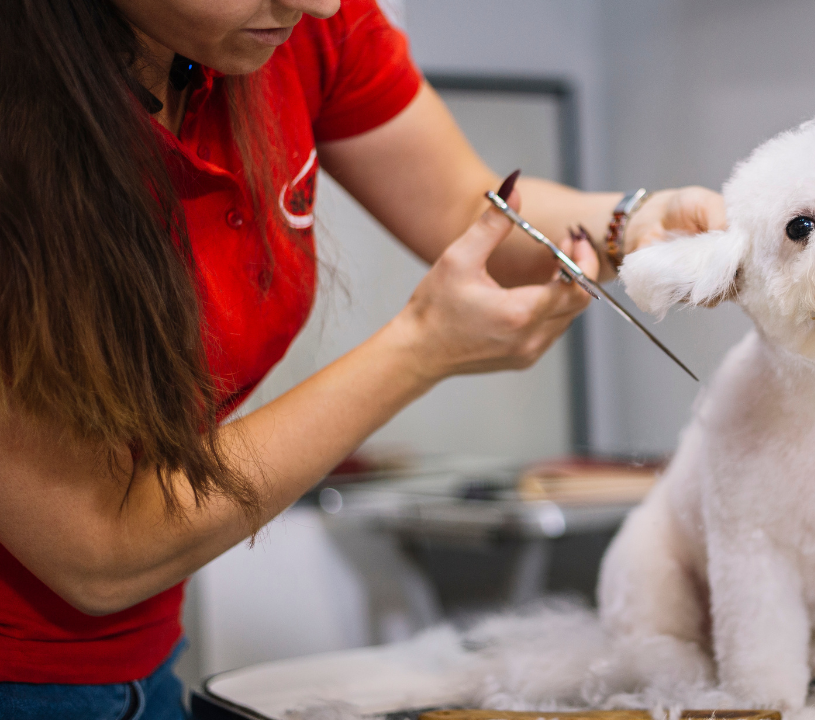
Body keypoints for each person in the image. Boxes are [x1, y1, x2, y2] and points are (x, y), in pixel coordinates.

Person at [0, 0, 725, 716]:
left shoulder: (306, 30)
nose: (317, 3)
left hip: (148, 660)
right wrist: (417, 352)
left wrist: (630, 224)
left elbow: (463, 211)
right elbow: (100, 551)